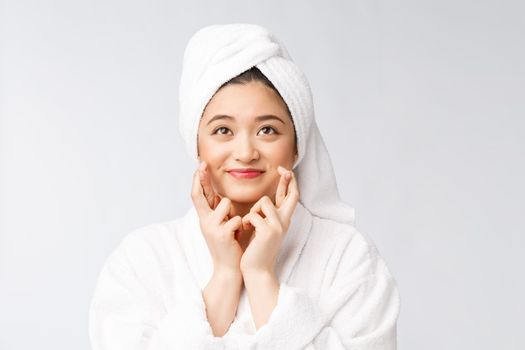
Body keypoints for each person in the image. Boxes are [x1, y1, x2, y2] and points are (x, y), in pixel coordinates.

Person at [89, 23, 401, 350]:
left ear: (297, 146)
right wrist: (225, 274)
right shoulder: (143, 259)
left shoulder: (347, 256)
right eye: (223, 130)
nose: (245, 152)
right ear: (196, 144)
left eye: (267, 130)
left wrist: (261, 277)